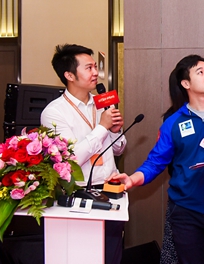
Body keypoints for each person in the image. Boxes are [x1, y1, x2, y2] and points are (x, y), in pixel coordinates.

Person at [110, 54, 204, 264]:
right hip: (186, 211)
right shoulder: (173, 122)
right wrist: (133, 179)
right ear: (186, 83)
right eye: (200, 72)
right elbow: (155, 162)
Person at [40, 44, 126, 264]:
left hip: (111, 191)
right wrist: (102, 127)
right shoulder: (54, 112)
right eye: (89, 68)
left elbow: (119, 149)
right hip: (78, 197)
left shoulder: (101, 104)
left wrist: (115, 131)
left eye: (95, 67)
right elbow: (72, 159)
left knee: (112, 255)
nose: (96, 73)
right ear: (69, 75)